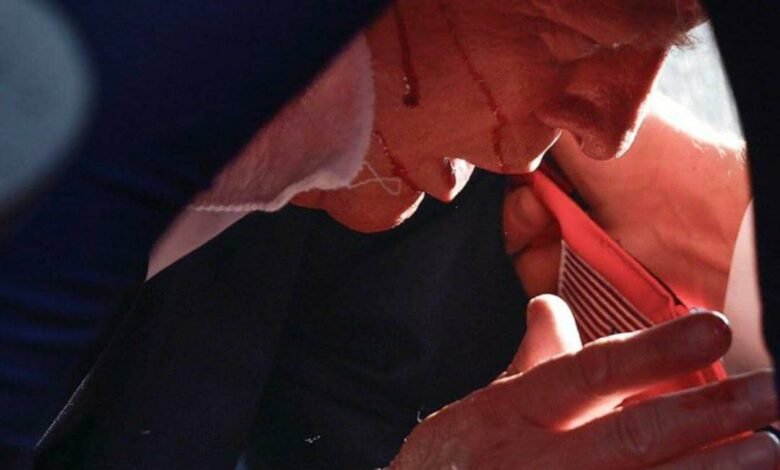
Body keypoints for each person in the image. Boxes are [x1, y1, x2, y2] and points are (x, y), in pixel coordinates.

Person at [1, 0, 777, 469]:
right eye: (567, 39)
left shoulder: (406, 175)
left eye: (677, 45)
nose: (611, 134)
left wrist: (709, 215)